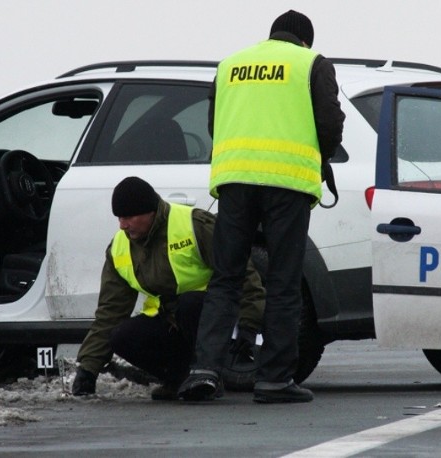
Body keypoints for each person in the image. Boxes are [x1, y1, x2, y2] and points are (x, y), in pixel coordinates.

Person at [178, 10, 345, 404]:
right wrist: (320, 159)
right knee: (284, 282)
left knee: (225, 279)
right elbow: (330, 125)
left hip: (235, 183)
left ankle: (205, 370)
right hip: (286, 185)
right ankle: (273, 380)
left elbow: (214, 124)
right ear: (305, 40)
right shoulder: (311, 64)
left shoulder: (231, 64)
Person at [72, 176, 264, 400]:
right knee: (122, 337)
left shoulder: (194, 225)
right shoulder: (119, 248)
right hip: (172, 321)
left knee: (190, 302)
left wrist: (250, 324)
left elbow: (242, 273)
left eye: (129, 217)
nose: (122, 225)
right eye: (119, 218)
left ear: (151, 211)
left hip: (216, 319)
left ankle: (208, 373)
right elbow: (110, 313)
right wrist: (88, 369)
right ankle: (180, 379)